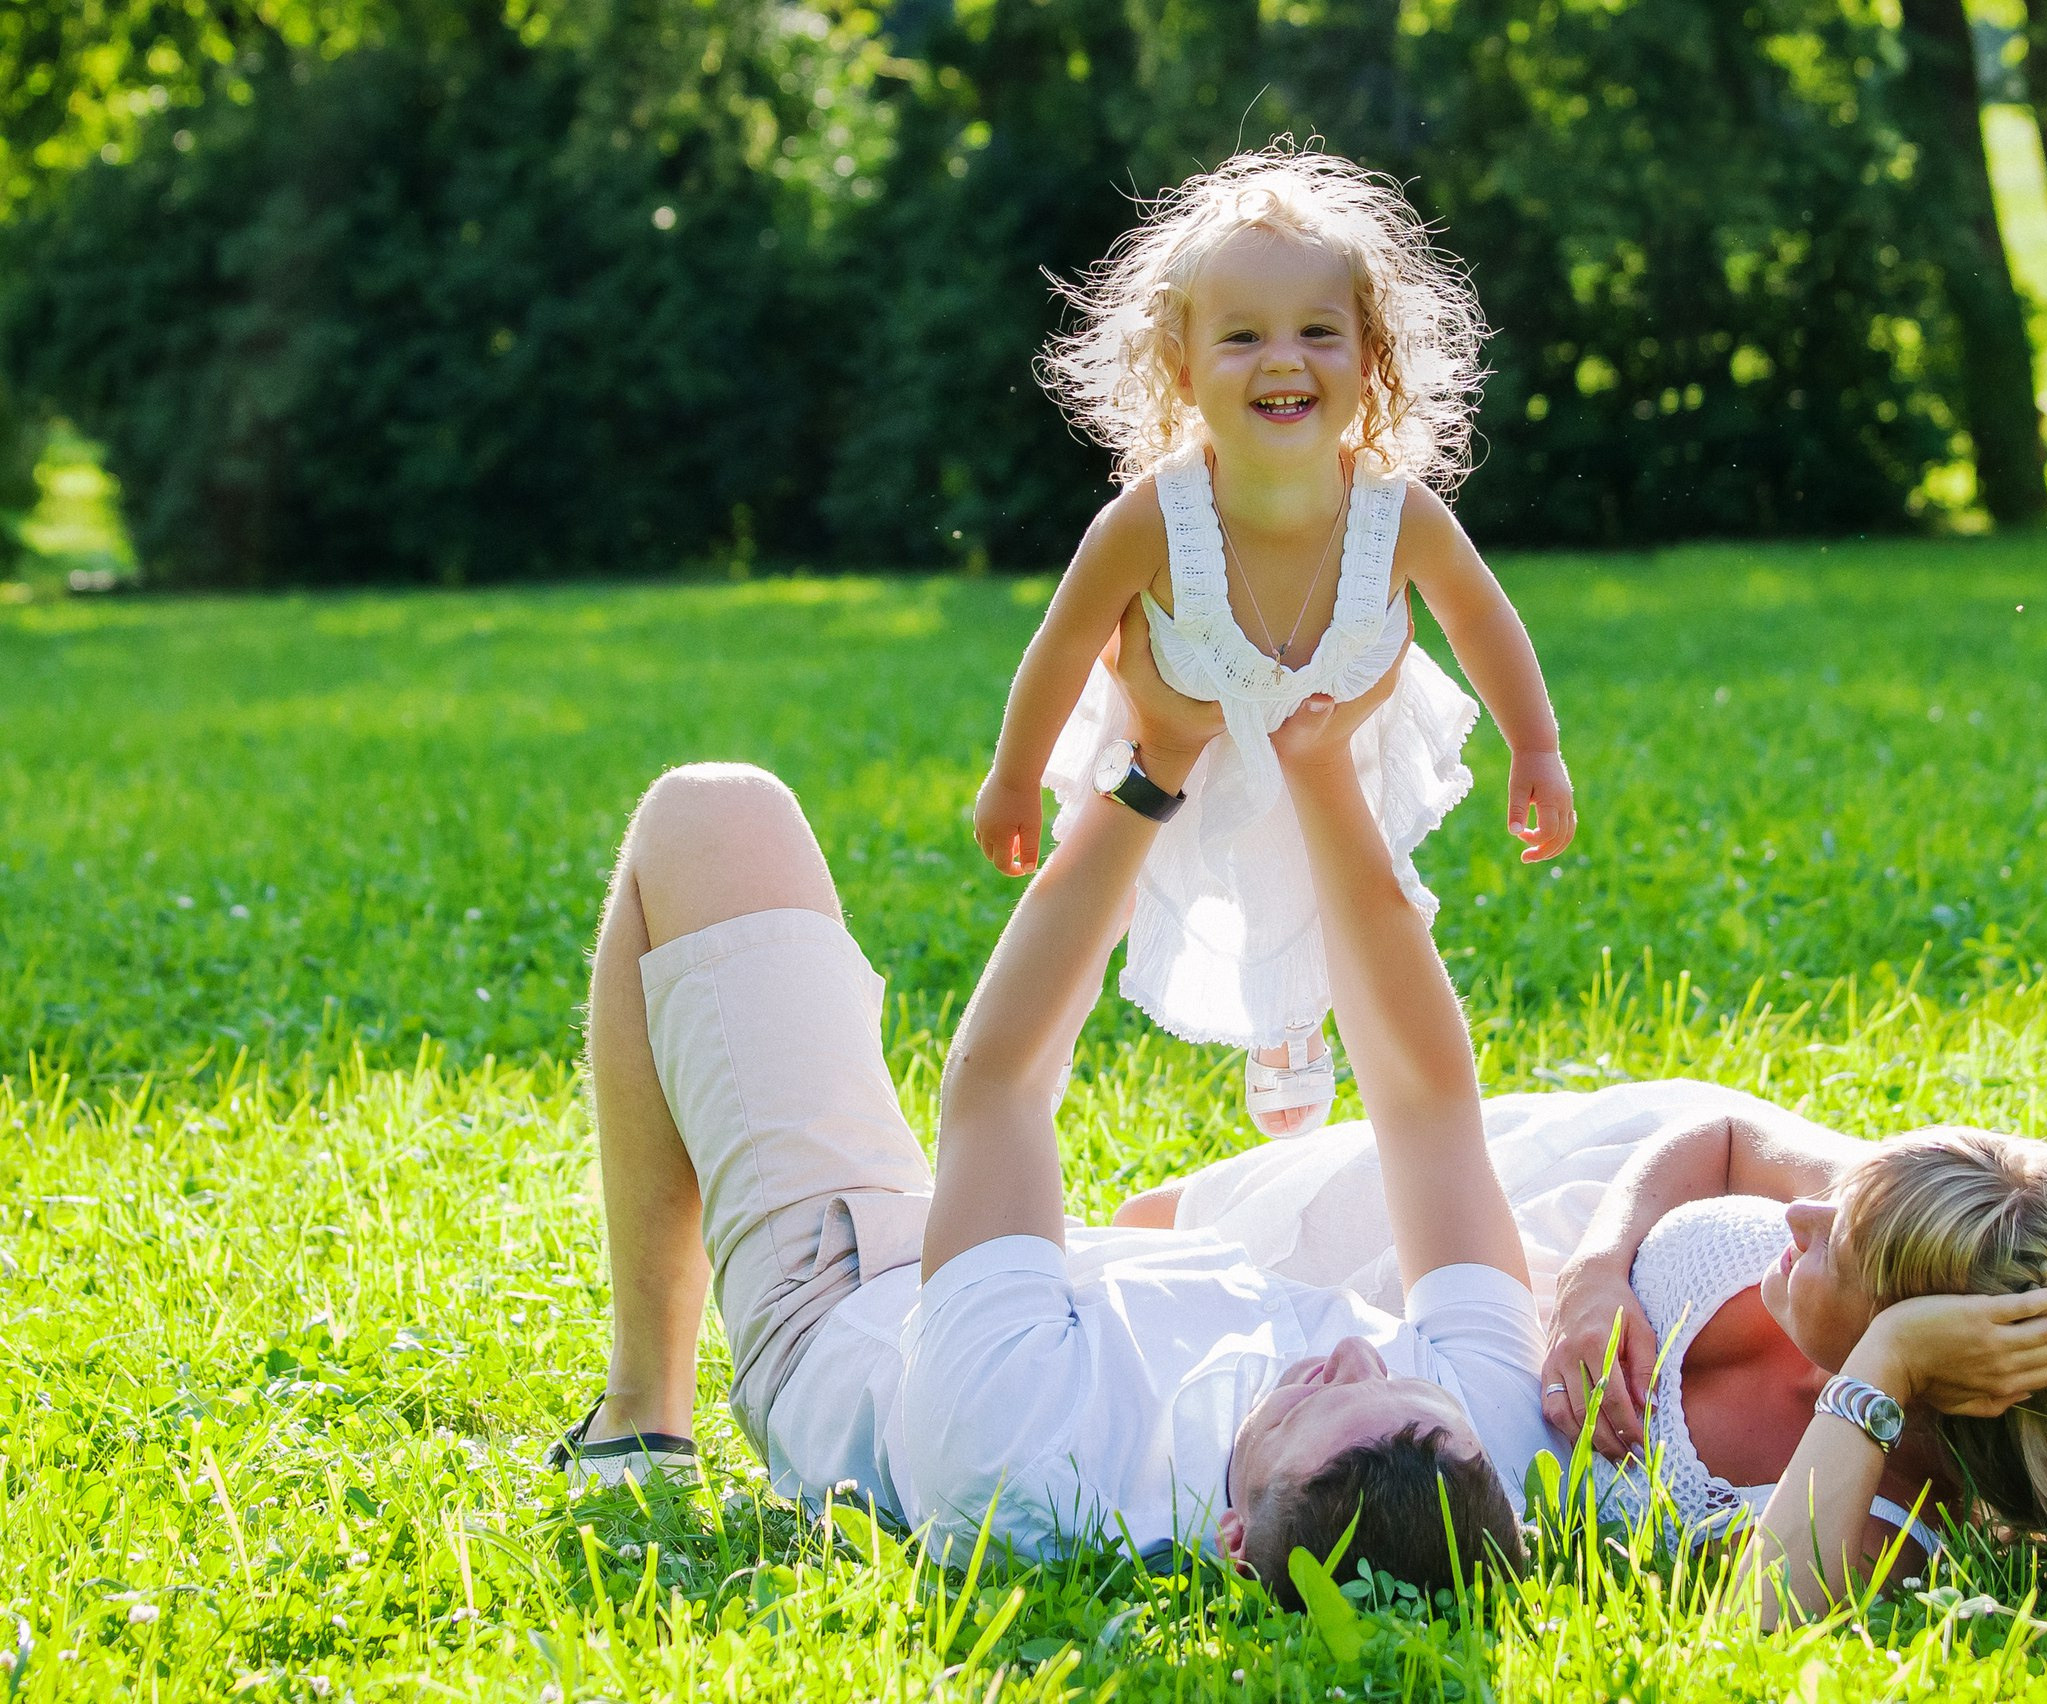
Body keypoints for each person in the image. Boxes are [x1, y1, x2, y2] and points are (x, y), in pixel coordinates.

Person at [553, 630, 1556, 1605]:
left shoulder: (1019, 1457)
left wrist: (1151, 772)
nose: (1350, 1359)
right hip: (1068, 1277)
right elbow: (1427, 1111)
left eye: (1311, 1398)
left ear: (1233, 1540)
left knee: (712, 814)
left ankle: (639, 1418)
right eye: (1393, 1381)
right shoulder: (1477, 1449)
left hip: (854, 1287)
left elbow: (1001, 1083)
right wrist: (1324, 766)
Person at [1124, 1081, 2047, 1624]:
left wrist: (1877, 1372)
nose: (1804, 1215)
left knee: (1139, 1255)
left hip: (1427, 1370)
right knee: (1154, 1213)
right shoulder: (1815, 1230)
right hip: (1557, 1206)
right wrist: (1601, 1268)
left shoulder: (1877, 1512)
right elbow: (1723, 1136)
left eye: (1840, 1250)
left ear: (1917, 1349)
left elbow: (1761, 1624)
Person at [971, 146, 1575, 1138]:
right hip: (1166, 749)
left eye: (1318, 332)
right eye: (1242, 336)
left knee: (1342, 895)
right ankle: (1027, 1067)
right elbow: (1065, 640)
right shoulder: (1149, 520)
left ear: (1371, 359)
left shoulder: (1396, 512)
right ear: (1182, 367)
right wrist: (1011, 774)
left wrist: (1536, 747)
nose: (1282, 358)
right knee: (1109, 887)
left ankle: (1297, 1028)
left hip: (1336, 745)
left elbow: (1477, 617)